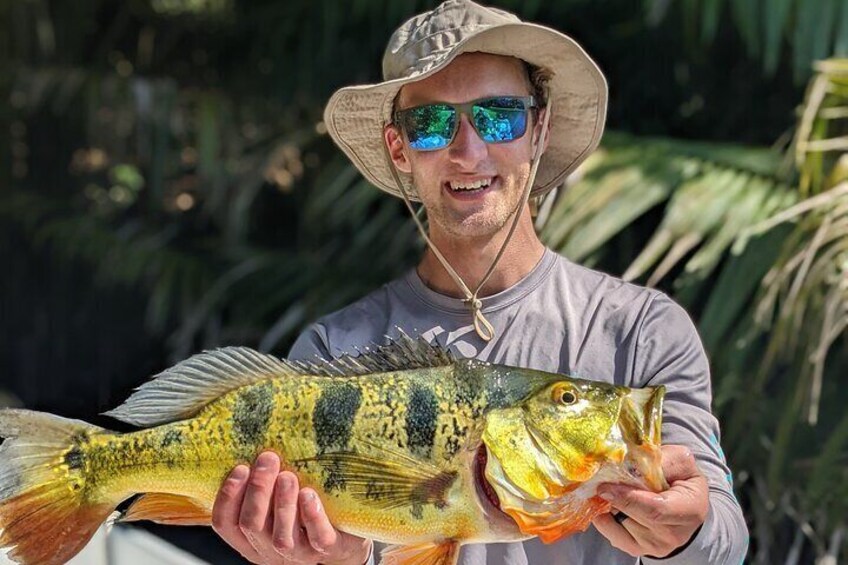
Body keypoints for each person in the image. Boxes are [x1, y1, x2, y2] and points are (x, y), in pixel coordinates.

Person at [209, 1, 749, 563]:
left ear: (538, 130)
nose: (468, 152)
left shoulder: (641, 332)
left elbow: (726, 542)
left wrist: (687, 533)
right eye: (432, 124)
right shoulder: (333, 352)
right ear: (400, 148)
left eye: (498, 116)